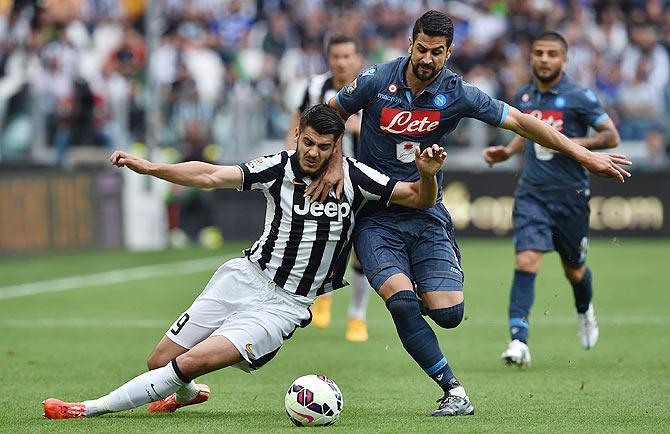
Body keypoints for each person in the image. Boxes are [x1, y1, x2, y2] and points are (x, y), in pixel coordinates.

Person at [314, 10, 630, 417]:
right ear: (411, 44)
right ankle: (453, 391)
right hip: (376, 215)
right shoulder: (377, 80)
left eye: (438, 52)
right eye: (422, 49)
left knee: (448, 314)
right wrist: (335, 161)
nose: (428, 59)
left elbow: (521, 121)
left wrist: (584, 155)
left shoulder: (457, 92)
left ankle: (426, 297)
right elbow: (328, 114)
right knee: (403, 303)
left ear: (449, 52)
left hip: (427, 212)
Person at [41, 104, 448, 419]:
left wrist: (427, 174)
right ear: (298, 135)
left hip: (284, 306)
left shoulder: (355, 178)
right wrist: (150, 168)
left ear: (336, 145)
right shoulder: (278, 168)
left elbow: (418, 197)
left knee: (191, 361)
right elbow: (211, 176)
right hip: (244, 277)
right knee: (159, 363)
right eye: (307, 142)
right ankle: (190, 395)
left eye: (324, 147)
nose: (313, 152)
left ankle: (88, 408)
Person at [482, 31, 621, 367]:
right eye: (539, 53)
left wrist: (569, 141)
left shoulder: (579, 96)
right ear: (531, 57)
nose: (544, 59)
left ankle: (584, 309)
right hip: (531, 193)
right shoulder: (524, 95)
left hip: (570, 195)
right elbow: (526, 131)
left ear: (564, 59)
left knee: (575, 270)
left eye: (552, 54)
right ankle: (518, 341)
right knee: (526, 260)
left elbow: (611, 136)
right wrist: (507, 151)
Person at [284, 34, 372, 342]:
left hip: (360, 178)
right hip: (321, 177)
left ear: (357, 59)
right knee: (323, 239)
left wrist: (359, 127)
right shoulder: (314, 87)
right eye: (336, 56)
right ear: (328, 59)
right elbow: (296, 123)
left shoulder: (370, 88)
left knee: (362, 250)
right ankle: (323, 297)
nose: (341, 62)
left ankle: (357, 316)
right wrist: (289, 160)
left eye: (347, 56)